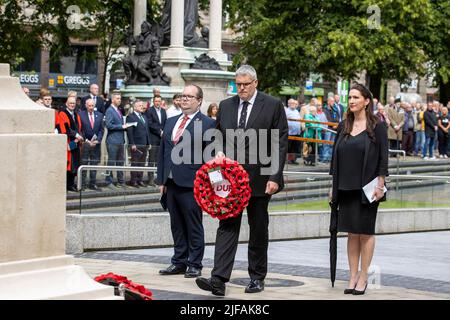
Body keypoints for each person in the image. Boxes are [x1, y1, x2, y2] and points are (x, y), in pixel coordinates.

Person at [195, 65, 288, 296]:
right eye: (238, 84)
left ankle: (257, 278)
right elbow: (216, 137)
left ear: (255, 82)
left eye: (246, 84)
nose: (242, 88)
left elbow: (280, 143)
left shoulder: (273, 104)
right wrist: (216, 152)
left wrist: (275, 176)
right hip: (229, 182)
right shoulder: (226, 106)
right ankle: (218, 279)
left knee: (258, 228)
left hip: (260, 179)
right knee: (226, 226)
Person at [329, 83, 388, 296]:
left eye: (356, 97)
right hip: (344, 187)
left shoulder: (377, 126)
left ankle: (364, 277)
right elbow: (335, 159)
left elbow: (383, 158)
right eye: (350, 97)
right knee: (351, 233)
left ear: (366, 101)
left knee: (365, 232)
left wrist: (381, 184)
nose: (352, 101)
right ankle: (352, 276)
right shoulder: (343, 125)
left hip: (368, 188)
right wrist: (332, 186)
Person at [156, 84, 216, 278]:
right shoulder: (170, 121)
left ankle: (195, 264)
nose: (184, 99)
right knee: (176, 225)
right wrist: (161, 179)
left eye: (189, 97)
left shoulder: (207, 124)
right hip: (171, 182)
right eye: (182, 96)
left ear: (199, 100)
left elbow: (211, 156)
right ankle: (179, 261)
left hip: (193, 183)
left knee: (193, 225)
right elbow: (163, 152)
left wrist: (210, 184)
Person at [58, 96, 84, 192]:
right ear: (66, 104)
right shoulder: (63, 114)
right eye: (70, 103)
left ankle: (71, 184)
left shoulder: (76, 115)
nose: (72, 105)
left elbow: (80, 128)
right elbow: (66, 129)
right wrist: (77, 136)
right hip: (68, 143)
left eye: (73, 103)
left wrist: (80, 136)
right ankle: (66, 185)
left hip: (77, 143)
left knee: (75, 164)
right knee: (69, 165)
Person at [105, 92, 129, 188]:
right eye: (118, 98)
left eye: (120, 98)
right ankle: (109, 181)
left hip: (120, 140)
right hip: (112, 140)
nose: (120, 100)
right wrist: (122, 126)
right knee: (111, 161)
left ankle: (121, 181)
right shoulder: (110, 110)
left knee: (120, 162)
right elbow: (109, 125)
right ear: (113, 100)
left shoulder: (118, 110)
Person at [126, 100, 151, 187]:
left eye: (142, 105)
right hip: (136, 144)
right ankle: (134, 181)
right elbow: (129, 132)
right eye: (140, 106)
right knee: (135, 163)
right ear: (135, 107)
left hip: (145, 144)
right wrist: (132, 143)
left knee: (142, 163)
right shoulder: (130, 117)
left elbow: (147, 131)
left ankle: (140, 180)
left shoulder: (144, 117)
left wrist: (149, 142)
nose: (142, 107)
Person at [145, 95, 167, 186]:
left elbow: (165, 123)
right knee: (152, 159)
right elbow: (150, 124)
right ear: (153, 102)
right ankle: (150, 179)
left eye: (159, 101)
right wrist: (159, 131)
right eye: (156, 101)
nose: (158, 103)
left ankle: (159, 179)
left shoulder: (163, 111)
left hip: (162, 138)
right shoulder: (149, 111)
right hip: (153, 137)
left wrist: (163, 132)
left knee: (160, 159)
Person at [285, 99, 301, 164]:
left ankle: (293, 159)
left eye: (294, 103)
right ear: (288, 104)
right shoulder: (286, 111)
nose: (293, 104)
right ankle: (288, 160)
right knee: (289, 147)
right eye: (291, 103)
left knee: (295, 147)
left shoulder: (297, 111)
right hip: (289, 132)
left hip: (297, 132)